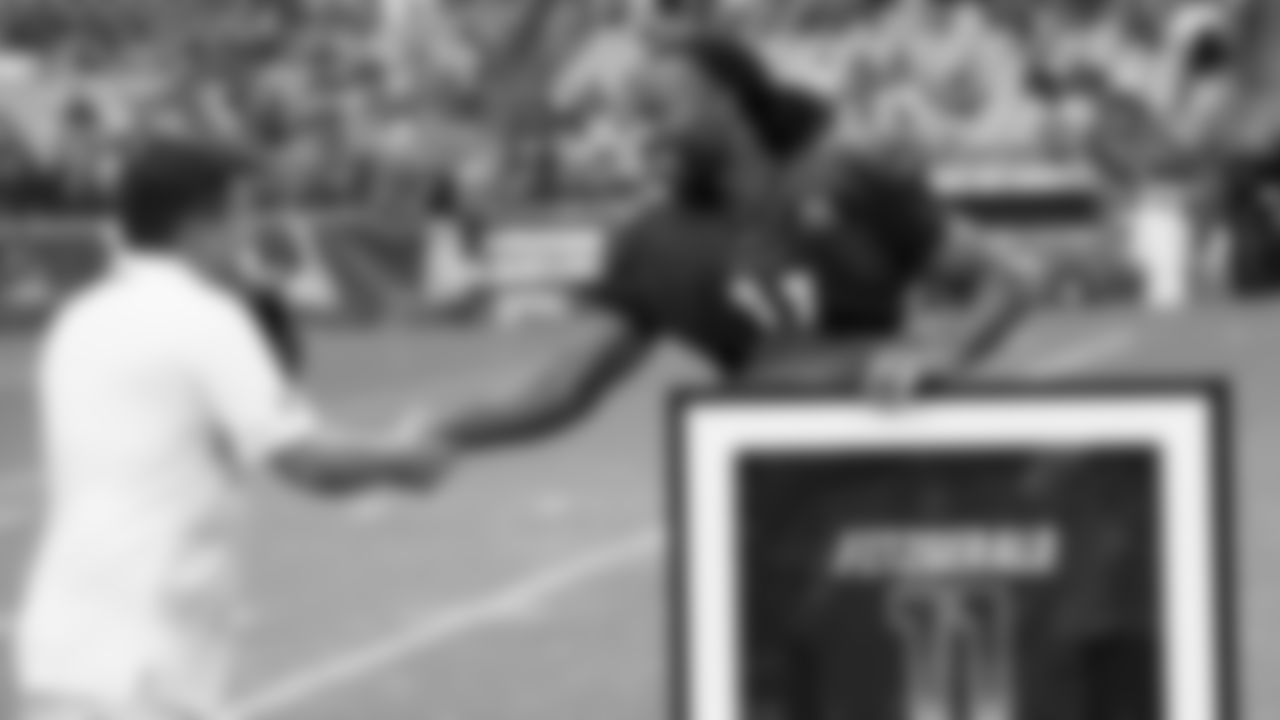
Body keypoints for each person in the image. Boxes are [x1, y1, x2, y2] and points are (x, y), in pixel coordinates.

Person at [431, 30, 1042, 450]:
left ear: (725, 99)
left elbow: (1011, 277)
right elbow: (563, 390)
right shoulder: (652, 242)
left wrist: (943, 352)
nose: (642, 132)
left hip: (897, 462)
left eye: (657, 110)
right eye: (634, 115)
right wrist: (435, 430)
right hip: (762, 488)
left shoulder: (847, 173)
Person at [15, 139, 452, 720]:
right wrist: (403, 458)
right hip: (140, 659)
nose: (249, 233)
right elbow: (308, 464)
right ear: (200, 222)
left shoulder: (82, 315)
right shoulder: (206, 316)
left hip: (70, 644)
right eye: (241, 213)